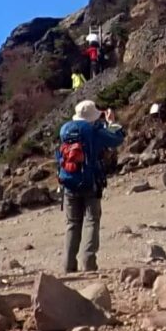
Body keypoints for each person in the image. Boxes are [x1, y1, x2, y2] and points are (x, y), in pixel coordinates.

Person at [56, 97, 124, 274]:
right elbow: (116, 139)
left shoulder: (65, 130)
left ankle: (68, 266)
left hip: (68, 183)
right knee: (91, 221)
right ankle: (88, 263)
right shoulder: (93, 131)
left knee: (72, 223)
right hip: (90, 182)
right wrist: (112, 123)